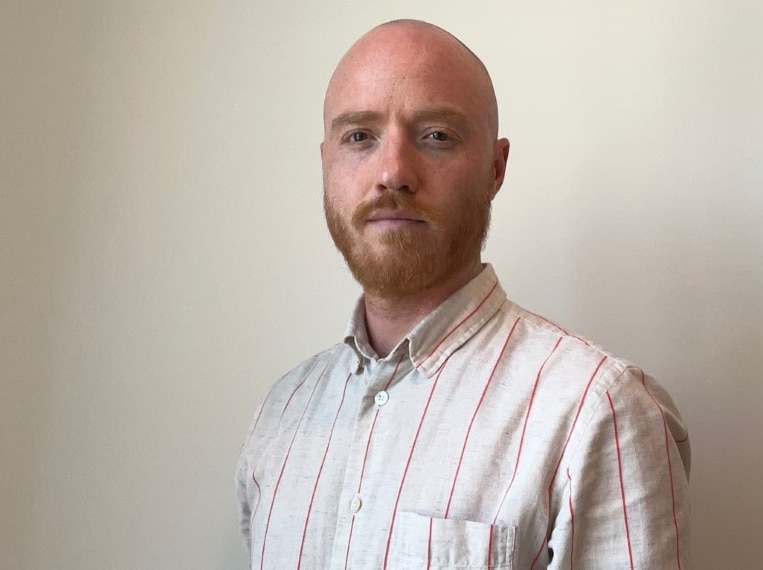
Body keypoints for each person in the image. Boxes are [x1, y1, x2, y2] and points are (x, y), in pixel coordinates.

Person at [236, 19, 691, 569]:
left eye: (436, 136)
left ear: (495, 169)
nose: (393, 172)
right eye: (359, 136)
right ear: (327, 164)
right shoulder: (280, 416)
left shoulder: (597, 414)